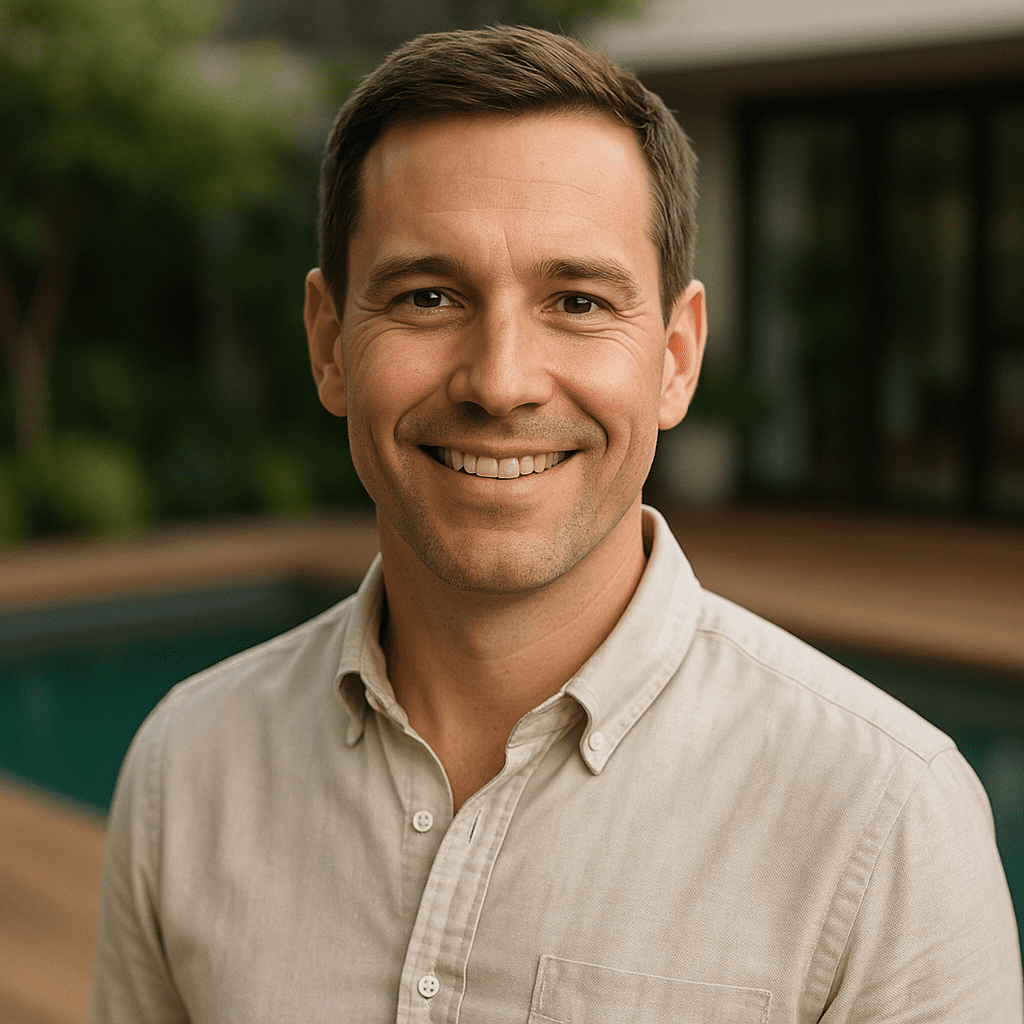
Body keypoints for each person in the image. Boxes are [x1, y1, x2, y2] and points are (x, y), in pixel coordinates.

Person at [90, 25, 1022, 1023]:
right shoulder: (185, 765)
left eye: (576, 300)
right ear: (328, 343)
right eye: (429, 294)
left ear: (674, 356)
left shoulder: (886, 823)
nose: (500, 381)